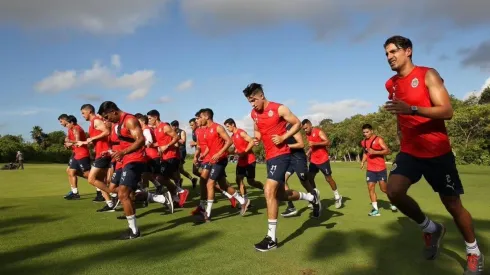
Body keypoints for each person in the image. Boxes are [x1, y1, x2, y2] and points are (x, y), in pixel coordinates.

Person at [383, 35, 483, 274]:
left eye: (393, 51)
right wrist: (400, 135)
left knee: (452, 205)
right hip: (409, 151)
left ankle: (473, 251)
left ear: (408, 51)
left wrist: (413, 109)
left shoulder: (428, 74)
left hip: (437, 152)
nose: (389, 57)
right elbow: (399, 114)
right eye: (386, 54)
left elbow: (447, 111)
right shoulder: (391, 84)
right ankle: (431, 229)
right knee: (393, 191)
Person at [243, 83, 321, 252]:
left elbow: (297, 123)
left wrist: (284, 136)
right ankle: (310, 198)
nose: (252, 104)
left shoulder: (279, 109)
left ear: (261, 95)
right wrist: (256, 138)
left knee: (269, 190)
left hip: (282, 155)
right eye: (249, 101)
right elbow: (257, 129)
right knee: (280, 195)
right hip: (270, 157)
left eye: (254, 100)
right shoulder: (253, 114)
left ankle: (271, 239)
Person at [98, 101, 146, 239]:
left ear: (113, 111)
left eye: (106, 117)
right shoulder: (118, 124)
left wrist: (123, 152)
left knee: (123, 194)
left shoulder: (130, 120)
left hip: (136, 159)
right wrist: (111, 152)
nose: (107, 120)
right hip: (127, 160)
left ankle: (134, 232)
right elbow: (124, 143)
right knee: (127, 194)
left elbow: (141, 140)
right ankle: (152, 197)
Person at [196, 108, 249, 222]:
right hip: (212, 160)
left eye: (200, 117)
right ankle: (242, 201)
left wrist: (219, 153)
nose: (199, 119)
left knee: (210, 183)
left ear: (207, 117)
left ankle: (208, 214)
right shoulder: (205, 131)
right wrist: (203, 155)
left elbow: (229, 141)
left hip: (221, 160)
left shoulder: (218, 127)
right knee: (223, 185)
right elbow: (210, 147)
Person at [147, 110, 189, 208]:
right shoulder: (156, 129)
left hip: (172, 156)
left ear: (156, 117)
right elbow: (161, 142)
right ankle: (176, 199)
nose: (148, 120)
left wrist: (167, 146)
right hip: (165, 157)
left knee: (160, 177)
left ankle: (181, 192)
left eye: (150, 118)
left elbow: (176, 138)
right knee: (163, 177)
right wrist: (152, 145)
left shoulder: (165, 126)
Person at [79, 104, 117, 212]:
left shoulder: (96, 120)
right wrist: (84, 142)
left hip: (104, 154)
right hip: (99, 153)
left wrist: (92, 138)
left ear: (89, 111)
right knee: (100, 180)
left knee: (91, 179)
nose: (82, 115)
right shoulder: (92, 123)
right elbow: (94, 140)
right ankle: (110, 204)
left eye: (83, 113)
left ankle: (114, 193)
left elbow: (107, 132)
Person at [302, 119, 343, 209]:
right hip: (313, 160)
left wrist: (315, 143)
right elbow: (312, 146)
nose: (305, 130)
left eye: (306, 128)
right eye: (303, 129)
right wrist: (308, 153)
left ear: (310, 125)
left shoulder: (318, 132)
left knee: (328, 179)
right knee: (310, 178)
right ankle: (315, 197)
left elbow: (327, 142)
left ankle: (337, 197)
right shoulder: (307, 134)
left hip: (323, 159)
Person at [224, 118, 264, 204]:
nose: (227, 129)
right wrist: (225, 152)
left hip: (250, 160)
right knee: (238, 180)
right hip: (241, 162)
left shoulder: (241, 132)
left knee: (251, 182)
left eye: (228, 127)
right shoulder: (233, 136)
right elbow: (235, 150)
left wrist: (244, 152)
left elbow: (251, 142)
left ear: (233, 125)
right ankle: (245, 201)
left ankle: (265, 189)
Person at [282, 122, 319, 217]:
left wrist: (286, 146)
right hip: (288, 159)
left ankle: (315, 202)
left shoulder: (292, 127)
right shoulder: (279, 129)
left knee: (304, 182)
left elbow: (301, 144)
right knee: (282, 180)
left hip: (299, 159)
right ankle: (291, 207)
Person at [360, 123, 397, 216]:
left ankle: (393, 201)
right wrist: (363, 161)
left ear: (371, 131)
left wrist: (375, 152)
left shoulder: (378, 139)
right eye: (364, 132)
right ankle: (375, 210)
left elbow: (388, 151)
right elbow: (365, 152)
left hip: (380, 168)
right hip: (370, 169)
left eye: (367, 132)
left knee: (383, 189)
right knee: (370, 188)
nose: (365, 134)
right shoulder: (363, 142)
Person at [64, 115, 91, 200]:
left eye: (67, 124)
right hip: (77, 154)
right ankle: (75, 193)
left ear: (72, 122)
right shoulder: (71, 129)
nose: (66, 125)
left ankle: (100, 187)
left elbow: (78, 140)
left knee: (88, 174)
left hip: (82, 154)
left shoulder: (76, 128)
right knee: (71, 172)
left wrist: (70, 143)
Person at [171, 120, 198, 188]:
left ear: (176, 126)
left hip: (181, 151)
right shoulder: (172, 132)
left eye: (173, 126)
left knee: (177, 168)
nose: (172, 128)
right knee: (180, 169)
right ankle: (192, 179)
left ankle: (179, 182)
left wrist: (176, 138)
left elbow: (183, 141)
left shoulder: (182, 132)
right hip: (175, 151)